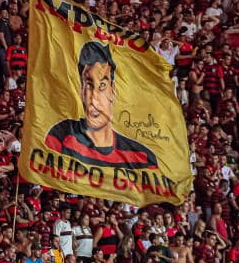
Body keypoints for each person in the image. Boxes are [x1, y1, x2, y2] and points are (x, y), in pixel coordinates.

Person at [45, 42, 158, 170]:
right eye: (88, 85)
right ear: (81, 91)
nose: (94, 98)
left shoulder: (142, 157)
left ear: (113, 91)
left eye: (102, 86)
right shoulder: (61, 135)